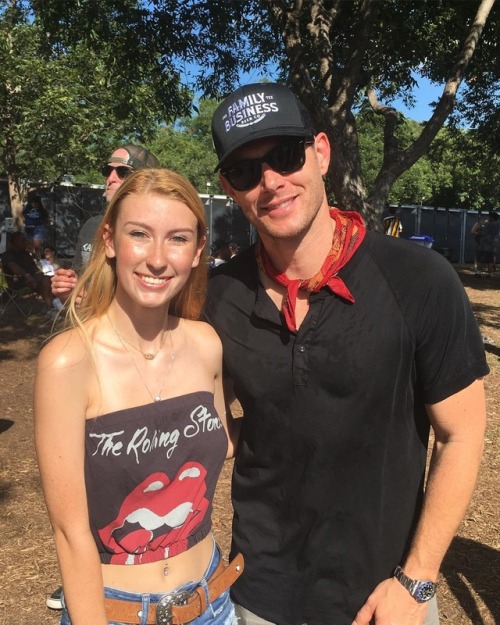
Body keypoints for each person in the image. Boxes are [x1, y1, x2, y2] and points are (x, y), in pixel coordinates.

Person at [204, 83, 488, 625]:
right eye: (245, 172)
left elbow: (462, 432)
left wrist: (417, 580)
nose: (270, 182)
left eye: (286, 156)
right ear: (230, 189)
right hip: (260, 596)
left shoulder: (418, 279)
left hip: (384, 600)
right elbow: (198, 418)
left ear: (322, 153)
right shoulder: (219, 297)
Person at [35, 168, 242, 625]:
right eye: (139, 234)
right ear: (108, 240)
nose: (157, 258)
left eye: (178, 239)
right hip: (114, 611)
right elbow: (70, 533)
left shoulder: (207, 343)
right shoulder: (67, 363)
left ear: (197, 251)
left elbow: (222, 441)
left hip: (213, 603)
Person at [51, 144, 160, 304]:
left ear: (146, 180)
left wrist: (94, 300)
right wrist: (68, 288)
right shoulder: (92, 226)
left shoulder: (158, 232)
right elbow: (78, 280)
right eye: (107, 171)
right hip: (89, 325)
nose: (110, 179)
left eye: (123, 172)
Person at [0, 231, 56, 312]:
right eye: (22, 240)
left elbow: (36, 266)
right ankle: (51, 308)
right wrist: (27, 275)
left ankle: (57, 305)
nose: (25, 242)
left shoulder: (25, 253)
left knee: (55, 279)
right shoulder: (7, 255)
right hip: (19, 282)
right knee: (45, 280)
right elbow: (15, 268)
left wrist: (33, 252)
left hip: (35, 278)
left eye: (25, 240)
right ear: (13, 242)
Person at [22, 195, 50, 259]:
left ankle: (38, 260)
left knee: (36, 246)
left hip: (38, 228)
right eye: (32, 202)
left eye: (36, 202)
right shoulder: (26, 209)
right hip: (28, 228)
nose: (34, 203)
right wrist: (25, 221)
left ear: (39, 203)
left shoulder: (42, 210)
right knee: (28, 246)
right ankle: (30, 259)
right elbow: (22, 214)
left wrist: (42, 223)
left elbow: (47, 219)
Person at [477, 211, 499, 277]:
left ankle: (478, 273)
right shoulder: (498, 225)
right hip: (493, 245)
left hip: (484, 244)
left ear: (491, 217)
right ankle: (489, 274)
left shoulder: (487, 224)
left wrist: (479, 231)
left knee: (480, 259)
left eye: (489, 217)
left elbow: (483, 233)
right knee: (490, 260)